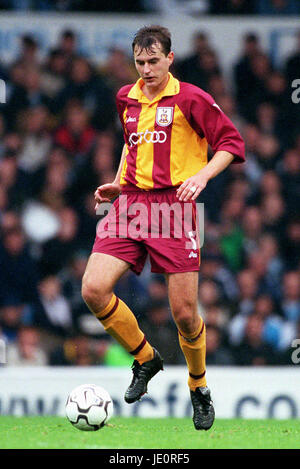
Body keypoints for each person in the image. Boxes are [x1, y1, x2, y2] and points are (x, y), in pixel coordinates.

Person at [81, 25, 245, 431]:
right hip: (132, 202)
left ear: (170, 59)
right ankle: (146, 358)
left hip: (177, 206)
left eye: (154, 61)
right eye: (140, 62)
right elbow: (132, 143)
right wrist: (119, 181)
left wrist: (203, 176)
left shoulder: (191, 97)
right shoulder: (126, 97)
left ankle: (199, 385)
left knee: (185, 315)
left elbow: (231, 143)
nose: (147, 69)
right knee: (93, 290)